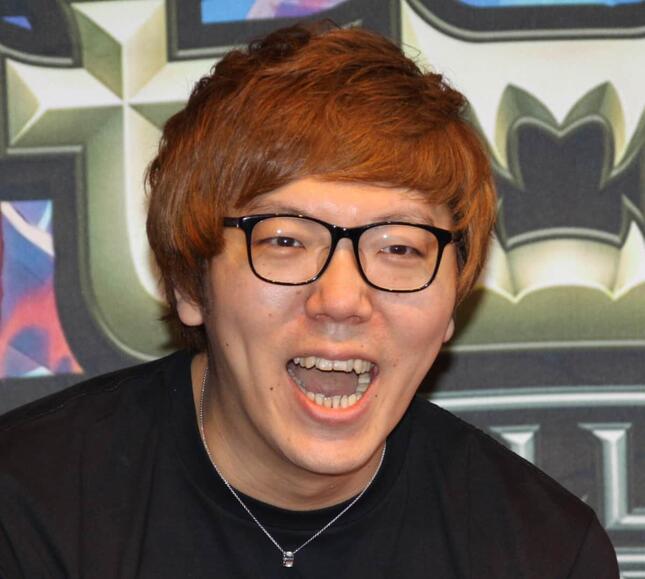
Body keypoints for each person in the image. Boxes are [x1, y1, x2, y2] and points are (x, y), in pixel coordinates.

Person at [0, 22, 619, 579]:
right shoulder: (27, 509)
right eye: (285, 240)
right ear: (190, 284)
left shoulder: (546, 553)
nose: (342, 299)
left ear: (452, 300)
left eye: (399, 248)